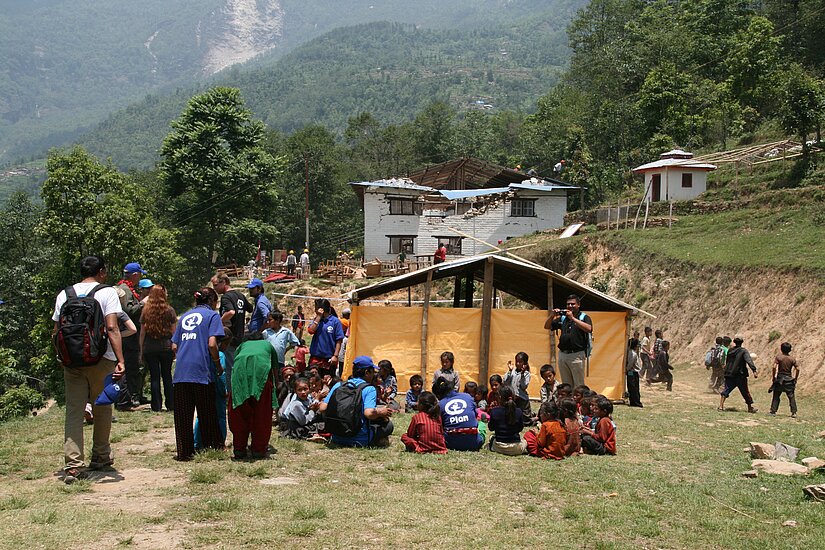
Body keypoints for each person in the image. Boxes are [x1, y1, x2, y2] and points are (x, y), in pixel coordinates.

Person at [52, 255, 125, 483]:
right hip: (101, 358)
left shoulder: (65, 294)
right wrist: (120, 359)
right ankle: (101, 457)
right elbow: (112, 327)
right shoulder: (107, 292)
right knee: (102, 407)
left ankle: (73, 465)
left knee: (74, 411)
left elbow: (56, 330)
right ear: (101, 271)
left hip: (72, 362)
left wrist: (61, 355)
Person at [170, 287, 225, 461]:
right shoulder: (212, 316)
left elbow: (174, 346)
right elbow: (211, 344)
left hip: (181, 372)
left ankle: (184, 452)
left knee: (183, 415)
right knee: (207, 412)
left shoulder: (185, 316)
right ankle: (212, 447)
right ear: (212, 301)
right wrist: (217, 365)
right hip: (201, 370)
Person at [318, 355, 394, 447]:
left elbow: (322, 408)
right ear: (367, 372)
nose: (374, 374)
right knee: (389, 425)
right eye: (372, 371)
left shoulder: (339, 385)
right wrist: (381, 412)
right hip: (359, 440)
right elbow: (369, 413)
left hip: (336, 437)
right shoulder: (369, 389)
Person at [229, 331, 279, 458]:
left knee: (240, 412)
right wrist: (275, 387)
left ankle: (239, 449)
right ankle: (258, 450)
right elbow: (274, 369)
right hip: (261, 378)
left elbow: (235, 363)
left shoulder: (242, 346)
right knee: (261, 414)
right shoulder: (267, 345)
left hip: (239, 378)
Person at [212, 272, 253, 396]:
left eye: (215, 285)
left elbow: (231, 312)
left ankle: (231, 394)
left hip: (229, 338)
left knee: (230, 368)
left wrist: (218, 322)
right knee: (239, 366)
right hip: (241, 338)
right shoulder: (240, 295)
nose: (215, 289)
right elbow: (250, 309)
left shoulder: (226, 297)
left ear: (223, 282)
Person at [115, 262, 148, 408]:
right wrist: (142, 303)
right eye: (139, 274)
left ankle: (133, 395)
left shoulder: (128, 289)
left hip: (131, 334)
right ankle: (128, 397)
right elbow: (128, 311)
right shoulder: (125, 290)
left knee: (134, 364)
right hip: (129, 336)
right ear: (135, 275)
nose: (140, 277)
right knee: (131, 365)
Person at [139, 284, 177, 412]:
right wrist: (175, 345)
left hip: (150, 347)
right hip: (166, 346)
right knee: (167, 375)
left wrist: (141, 349)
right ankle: (171, 403)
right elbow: (174, 331)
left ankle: (156, 405)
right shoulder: (169, 310)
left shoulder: (146, 311)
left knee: (154, 376)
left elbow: (142, 333)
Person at [545, 294, 592, 387]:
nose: (570, 306)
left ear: (578, 305)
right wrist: (552, 316)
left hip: (577, 355)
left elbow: (589, 328)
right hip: (563, 355)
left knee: (579, 385)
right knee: (566, 385)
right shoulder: (563, 318)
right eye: (568, 304)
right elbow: (547, 326)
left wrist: (573, 318)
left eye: (572, 304)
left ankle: (579, 402)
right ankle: (568, 401)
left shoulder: (583, 317)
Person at [432, 376, 484, 451]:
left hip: (451, 443)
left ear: (439, 395)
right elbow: (474, 416)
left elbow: (440, 425)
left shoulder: (441, 404)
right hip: (474, 442)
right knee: (481, 424)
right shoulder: (468, 397)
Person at [719, 334, 759, 413]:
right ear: (742, 342)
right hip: (740, 375)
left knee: (726, 389)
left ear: (734, 342)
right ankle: (750, 408)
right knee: (745, 391)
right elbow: (749, 360)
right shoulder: (743, 351)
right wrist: (754, 370)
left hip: (729, 373)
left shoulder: (730, 350)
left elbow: (728, 361)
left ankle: (721, 406)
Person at [307, 298, 345, 377]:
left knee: (326, 382)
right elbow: (311, 331)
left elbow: (339, 340)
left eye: (316, 308)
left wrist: (335, 356)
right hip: (315, 358)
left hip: (329, 359)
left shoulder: (335, 321)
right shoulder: (316, 321)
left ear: (322, 309)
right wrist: (318, 317)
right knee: (313, 380)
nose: (315, 310)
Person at [487, 386, 526, 455]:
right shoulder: (519, 411)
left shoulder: (494, 411)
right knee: (525, 441)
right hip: (516, 448)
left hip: (498, 447)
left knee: (491, 437)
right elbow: (520, 428)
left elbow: (491, 428)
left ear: (500, 398)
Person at [769, 342, 799, 418]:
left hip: (780, 379)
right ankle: (794, 412)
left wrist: (773, 377)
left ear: (781, 349)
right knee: (791, 396)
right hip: (789, 380)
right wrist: (795, 378)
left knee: (776, 395)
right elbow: (798, 369)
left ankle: (773, 411)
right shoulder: (792, 359)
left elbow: (774, 367)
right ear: (790, 350)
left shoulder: (779, 357)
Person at [503, 352, 532, 424]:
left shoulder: (526, 374)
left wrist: (522, 375)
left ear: (525, 363)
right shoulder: (512, 371)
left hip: (521, 399)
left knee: (525, 421)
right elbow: (505, 381)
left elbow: (524, 386)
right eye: (517, 361)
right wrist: (509, 371)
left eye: (520, 362)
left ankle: (533, 418)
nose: (518, 364)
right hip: (512, 399)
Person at [626, 338, 643, 407]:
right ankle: (635, 402)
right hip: (632, 372)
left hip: (632, 372)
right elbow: (630, 364)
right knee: (634, 388)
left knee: (633, 388)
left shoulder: (631, 352)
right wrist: (627, 370)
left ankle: (634, 401)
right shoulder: (633, 354)